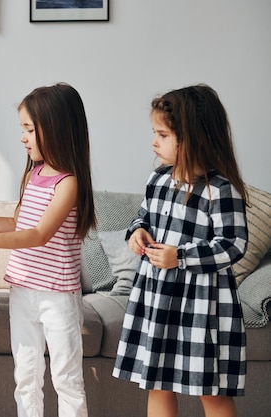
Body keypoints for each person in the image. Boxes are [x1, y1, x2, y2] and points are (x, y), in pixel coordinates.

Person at [0, 83, 96, 417]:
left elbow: (39, 234)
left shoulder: (69, 183)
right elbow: (17, 223)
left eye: (29, 129)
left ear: (55, 128)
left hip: (58, 297)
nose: (22, 137)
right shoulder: (35, 175)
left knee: (66, 378)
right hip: (23, 291)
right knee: (25, 376)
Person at [112, 84, 249, 417]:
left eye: (162, 134)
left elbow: (234, 244)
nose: (153, 142)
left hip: (200, 303)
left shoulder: (220, 190)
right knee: (157, 381)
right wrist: (137, 231)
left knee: (210, 390)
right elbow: (142, 216)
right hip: (158, 295)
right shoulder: (158, 180)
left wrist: (182, 256)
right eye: (154, 133)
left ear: (193, 137)